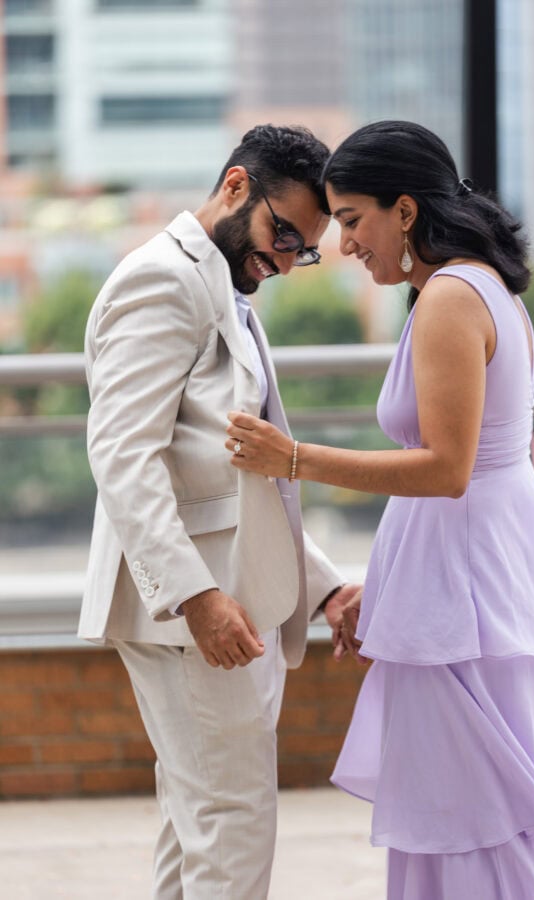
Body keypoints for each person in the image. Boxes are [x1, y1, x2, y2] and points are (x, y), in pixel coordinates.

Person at [226, 120, 534, 898]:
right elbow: (515, 460)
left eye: (352, 220)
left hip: (466, 609)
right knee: (490, 805)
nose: (345, 245)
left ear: (404, 210)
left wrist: (292, 458)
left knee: (473, 812)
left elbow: (448, 470)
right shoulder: (477, 289)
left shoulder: (450, 299)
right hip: (480, 591)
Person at [79, 123, 358, 899]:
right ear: (237, 186)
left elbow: (232, 481)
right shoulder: (163, 280)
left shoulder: (219, 286)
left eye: (305, 251)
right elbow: (122, 454)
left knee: (200, 823)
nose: (286, 262)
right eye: (284, 235)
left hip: (228, 603)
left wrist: (325, 588)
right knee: (233, 824)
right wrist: (196, 597)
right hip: (194, 615)